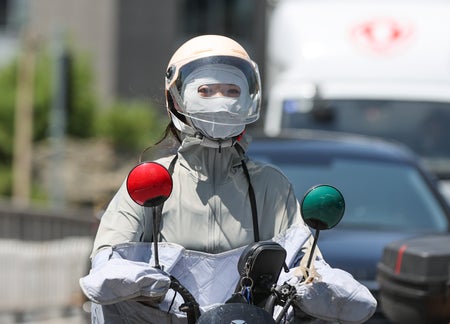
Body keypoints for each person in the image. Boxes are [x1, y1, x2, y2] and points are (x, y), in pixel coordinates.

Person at [80, 35, 377, 323]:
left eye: (232, 91)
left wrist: (316, 281)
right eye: (206, 91)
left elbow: (305, 260)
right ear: (178, 99)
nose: (221, 101)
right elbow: (108, 255)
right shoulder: (150, 180)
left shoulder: (272, 186)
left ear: (249, 99)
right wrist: (131, 278)